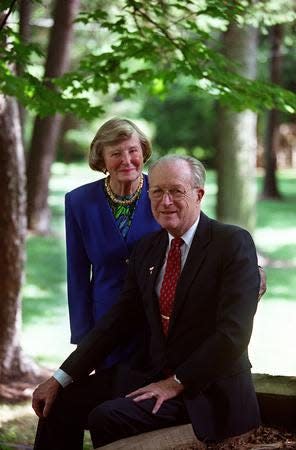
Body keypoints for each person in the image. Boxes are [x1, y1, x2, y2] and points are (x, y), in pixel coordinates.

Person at [32, 155, 262, 450]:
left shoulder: (231, 243)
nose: (165, 201)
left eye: (176, 191)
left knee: (108, 417)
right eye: (157, 191)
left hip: (205, 390)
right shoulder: (147, 250)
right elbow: (115, 324)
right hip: (150, 375)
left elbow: (234, 334)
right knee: (58, 401)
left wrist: (176, 382)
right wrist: (60, 378)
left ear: (199, 194)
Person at [64, 118, 160, 366]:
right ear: (102, 159)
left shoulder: (162, 190)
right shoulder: (79, 202)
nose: (127, 160)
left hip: (158, 322)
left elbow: (199, 235)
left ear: (143, 152)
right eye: (116, 153)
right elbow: (77, 272)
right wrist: (84, 338)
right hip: (105, 324)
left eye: (133, 151)